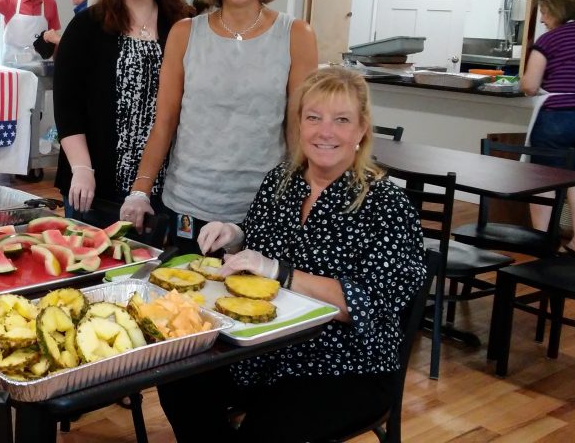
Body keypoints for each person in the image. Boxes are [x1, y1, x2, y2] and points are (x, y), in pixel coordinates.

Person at [157, 67, 427, 442]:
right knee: (175, 378)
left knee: (267, 431)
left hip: (345, 364)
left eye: (341, 120)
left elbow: (369, 305)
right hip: (262, 350)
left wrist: (281, 273)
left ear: (362, 129)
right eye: (313, 117)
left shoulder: (386, 205)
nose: (325, 131)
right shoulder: (280, 182)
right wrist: (235, 238)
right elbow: (260, 248)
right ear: (299, 123)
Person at [120, 0, 318, 254]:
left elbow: (299, 126)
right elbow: (165, 121)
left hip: (262, 208)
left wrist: (307, 193)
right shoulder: (185, 33)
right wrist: (140, 190)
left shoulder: (296, 34)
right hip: (189, 203)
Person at [53, 0, 192, 229]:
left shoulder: (184, 25)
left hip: (165, 185)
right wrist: (81, 167)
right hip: (94, 184)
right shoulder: (87, 26)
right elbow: (67, 105)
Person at [520, 0, 575, 257]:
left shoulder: (550, 40)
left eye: (543, 12)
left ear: (555, 11)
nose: (542, 19)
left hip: (558, 118)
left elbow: (530, 84)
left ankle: (544, 241)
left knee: (542, 179)